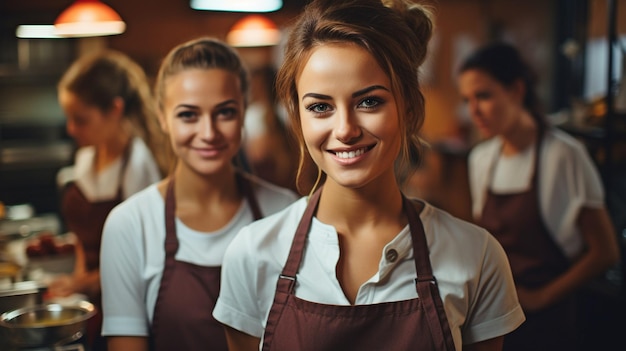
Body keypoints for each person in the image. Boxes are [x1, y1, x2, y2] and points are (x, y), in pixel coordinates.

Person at [213, 1, 526, 350]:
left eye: (369, 102)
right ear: (297, 117)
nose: (345, 129)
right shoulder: (253, 253)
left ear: (407, 107)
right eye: (320, 107)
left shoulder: (477, 256)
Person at [99, 37, 299, 351]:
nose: (208, 133)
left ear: (244, 112)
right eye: (188, 115)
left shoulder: (285, 210)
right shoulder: (128, 224)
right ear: (162, 117)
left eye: (225, 112)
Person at [457, 42, 621, 351]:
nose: (473, 111)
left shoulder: (564, 155)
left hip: (550, 321)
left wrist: (541, 297)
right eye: (467, 99)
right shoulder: (480, 159)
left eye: (484, 95)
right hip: (497, 314)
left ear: (517, 90)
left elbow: (605, 252)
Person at [51, 50, 168, 350]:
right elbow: (81, 238)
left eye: (81, 119)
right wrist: (78, 285)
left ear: (115, 110)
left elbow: (141, 257)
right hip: (92, 301)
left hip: (127, 306)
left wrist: (80, 284)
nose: (71, 129)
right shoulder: (85, 157)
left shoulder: (138, 165)